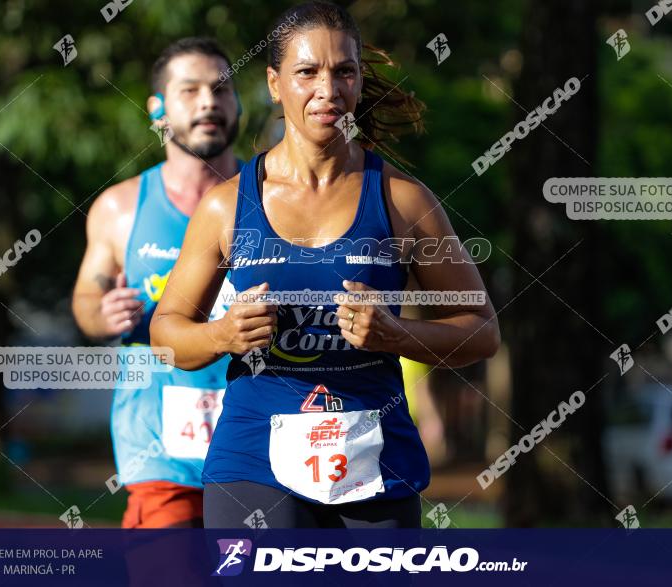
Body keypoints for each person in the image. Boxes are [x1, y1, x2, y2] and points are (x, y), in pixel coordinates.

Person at [151, 1, 500, 529]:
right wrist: (223, 334)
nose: (328, 90)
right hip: (253, 465)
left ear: (360, 81)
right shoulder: (226, 206)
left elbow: (482, 332)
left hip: (375, 466)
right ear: (274, 83)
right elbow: (165, 335)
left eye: (344, 72)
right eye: (307, 71)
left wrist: (397, 334)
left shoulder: (404, 201)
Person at [71, 37, 242, 528]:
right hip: (160, 454)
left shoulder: (272, 201)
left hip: (258, 447)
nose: (209, 101)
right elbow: (86, 297)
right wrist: (101, 314)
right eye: (190, 91)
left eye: (222, 89)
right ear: (158, 110)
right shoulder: (121, 207)